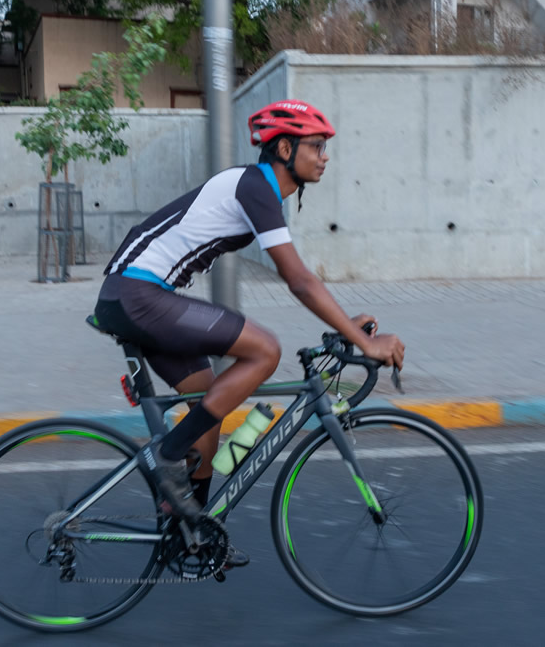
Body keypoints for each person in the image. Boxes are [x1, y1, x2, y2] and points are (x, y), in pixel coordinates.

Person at [92, 99, 405, 561]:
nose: (325, 157)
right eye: (316, 146)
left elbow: (302, 279)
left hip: (137, 297)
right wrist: (364, 343)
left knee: (207, 405)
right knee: (265, 350)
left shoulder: (260, 190)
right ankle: (169, 456)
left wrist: (345, 324)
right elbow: (299, 280)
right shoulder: (255, 186)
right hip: (137, 296)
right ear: (285, 149)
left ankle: (192, 530)